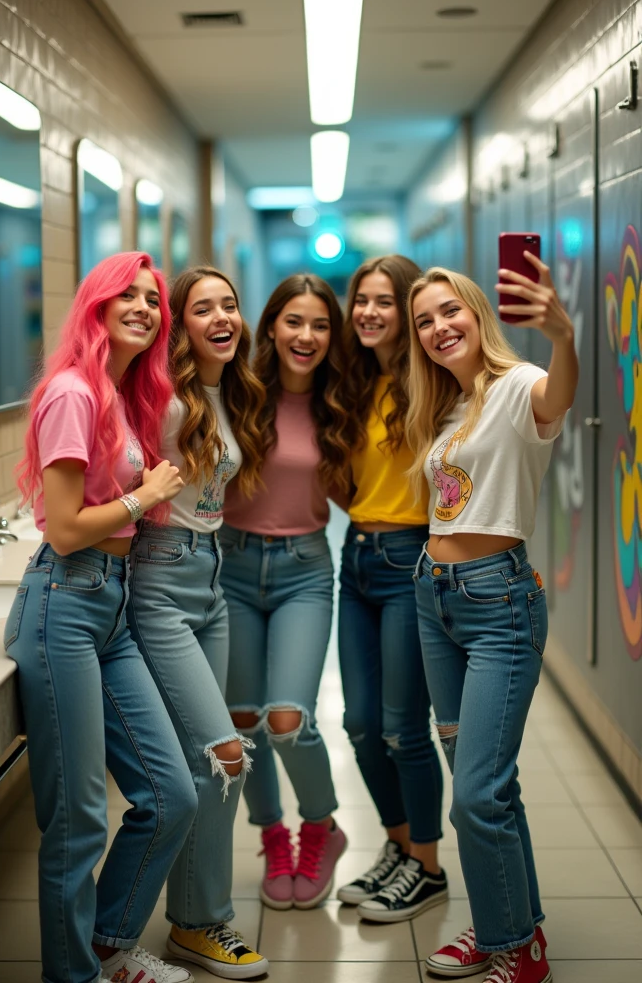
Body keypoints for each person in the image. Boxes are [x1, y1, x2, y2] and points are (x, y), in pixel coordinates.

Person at [6, 252, 195, 983]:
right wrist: (147, 497)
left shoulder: (121, 394)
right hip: (63, 604)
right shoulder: (73, 393)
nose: (147, 308)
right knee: (79, 820)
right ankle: (73, 974)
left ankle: (108, 945)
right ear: (97, 306)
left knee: (171, 793)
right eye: (130, 296)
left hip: (107, 608)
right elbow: (62, 527)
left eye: (154, 300)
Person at [406, 254, 576, 982]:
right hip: (434, 597)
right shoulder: (444, 406)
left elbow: (557, 395)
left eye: (450, 311)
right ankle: (512, 925)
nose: (439, 328)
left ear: (477, 313)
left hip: (497, 604)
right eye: (426, 321)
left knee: (475, 792)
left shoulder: (516, 387)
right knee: (485, 785)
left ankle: (513, 945)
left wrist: (563, 335)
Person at [127, 266, 269, 980]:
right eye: (202, 308)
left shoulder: (225, 391)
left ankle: (191, 923)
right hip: (160, 581)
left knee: (202, 760)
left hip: (210, 578)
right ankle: (204, 922)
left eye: (231, 305)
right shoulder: (162, 399)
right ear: (178, 325)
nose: (223, 317)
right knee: (223, 756)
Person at [221, 274, 353, 910]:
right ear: (271, 326)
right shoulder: (238, 393)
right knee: (243, 722)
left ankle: (321, 827)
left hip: (304, 567)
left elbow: (362, 488)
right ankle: (272, 835)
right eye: (294, 322)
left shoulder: (340, 403)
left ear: (334, 336)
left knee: (287, 719)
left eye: (321, 324)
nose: (307, 336)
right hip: (233, 566)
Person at [336, 255, 447, 923]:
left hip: (411, 559)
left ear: (407, 309)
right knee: (360, 725)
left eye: (385, 301)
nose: (370, 313)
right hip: (355, 559)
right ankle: (401, 848)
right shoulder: (351, 381)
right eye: (362, 301)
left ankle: (428, 869)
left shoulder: (432, 384)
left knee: (405, 728)